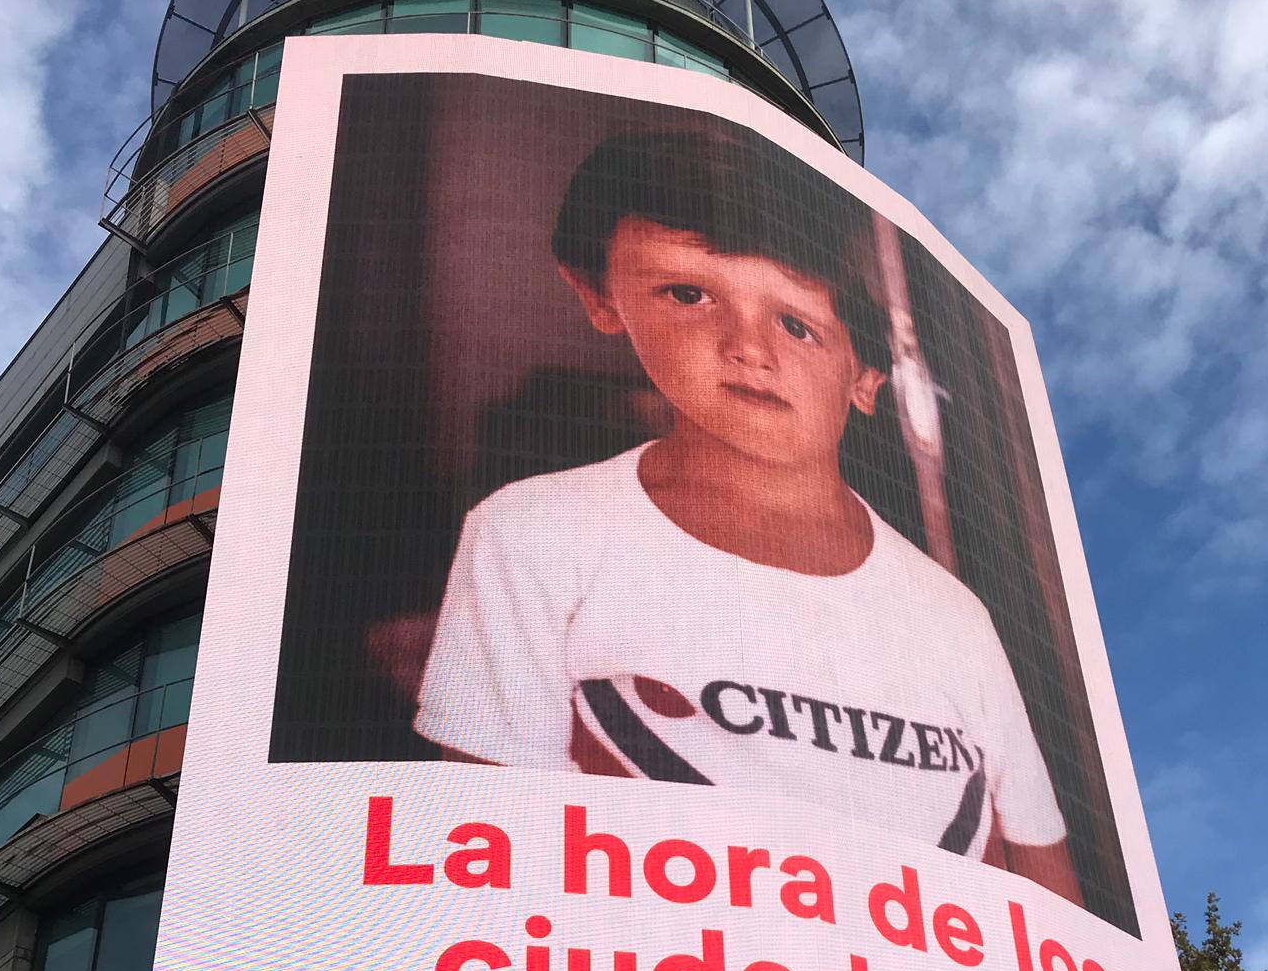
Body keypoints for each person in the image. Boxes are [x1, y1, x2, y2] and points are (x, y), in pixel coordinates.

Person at [415, 120, 1079, 903]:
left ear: (866, 379)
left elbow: (1044, 887)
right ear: (600, 296)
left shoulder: (955, 618)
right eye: (689, 294)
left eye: (796, 324)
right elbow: (482, 866)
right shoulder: (532, 534)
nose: (748, 349)